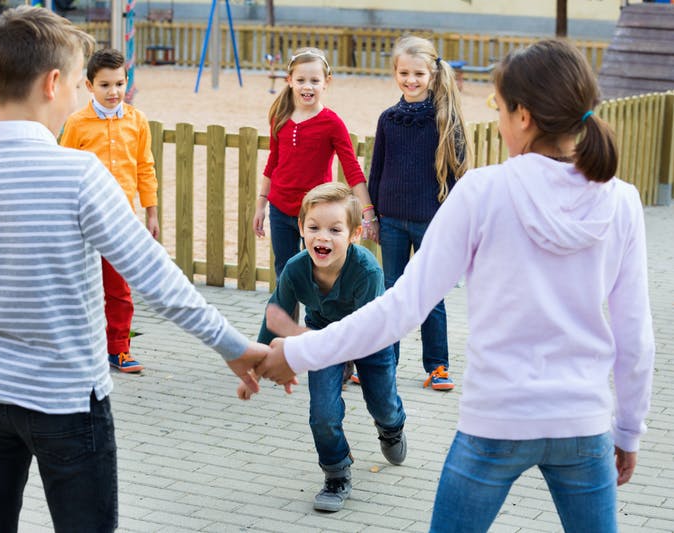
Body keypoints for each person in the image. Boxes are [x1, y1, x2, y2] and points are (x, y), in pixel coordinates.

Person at [259, 39, 655, 532]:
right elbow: (635, 338)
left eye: (499, 106)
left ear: (524, 116)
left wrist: (299, 352)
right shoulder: (621, 201)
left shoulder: (483, 192)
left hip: (495, 423)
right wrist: (628, 430)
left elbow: (401, 308)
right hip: (583, 424)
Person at [0, 7, 266, 532]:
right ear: (55, 81)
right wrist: (235, 346)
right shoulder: (79, 173)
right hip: (68, 403)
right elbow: (155, 277)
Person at [240, 182, 406, 513]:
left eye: (335, 229)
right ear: (301, 228)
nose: (322, 237)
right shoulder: (296, 268)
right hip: (321, 337)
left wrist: (374, 363)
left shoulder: (367, 271)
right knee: (323, 414)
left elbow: (367, 331)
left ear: (355, 234)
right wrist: (255, 364)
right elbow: (277, 313)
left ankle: (392, 428)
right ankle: (336, 472)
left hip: (370, 339)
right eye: (313, 227)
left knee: (383, 404)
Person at [365, 35, 471, 391]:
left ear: (432, 75)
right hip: (392, 221)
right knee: (392, 292)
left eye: (418, 74)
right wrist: (373, 217)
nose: (411, 80)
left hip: (432, 223)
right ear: (395, 72)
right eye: (404, 73)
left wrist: (454, 225)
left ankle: (437, 366)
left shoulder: (445, 120)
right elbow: (376, 170)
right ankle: (385, 363)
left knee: (430, 295)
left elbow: (457, 179)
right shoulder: (388, 120)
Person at [60, 48, 157, 374]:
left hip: (121, 222)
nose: (113, 92)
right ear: (89, 86)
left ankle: (118, 349)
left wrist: (151, 211)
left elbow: (145, 167)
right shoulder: (76, 123)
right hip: (83, 221)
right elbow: (64, 169)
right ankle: (80, 349)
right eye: (105, 85)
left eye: (119, 83)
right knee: (81, 288)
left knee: (120, 290)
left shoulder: (137, 121)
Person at [252, 47, 379, 281]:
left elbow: (352, 169)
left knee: (318, 274)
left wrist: (368, 211)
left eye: (314, 80)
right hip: (280, 209)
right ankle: (287, 318)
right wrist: (261, 204)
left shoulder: (332, 123)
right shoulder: (279, 117)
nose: (307, 86)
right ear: (289, 81)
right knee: (285, 273)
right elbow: (273, 163)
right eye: (300, 80)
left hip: (316, 211)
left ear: (326, 83)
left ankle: (316, 319)